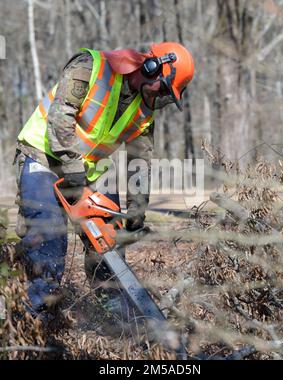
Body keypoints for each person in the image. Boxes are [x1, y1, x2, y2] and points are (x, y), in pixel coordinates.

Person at [14, 42, 195, 319]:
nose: (161, 99)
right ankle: (33, 319)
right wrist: (73, 170)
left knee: (108, 243)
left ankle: (113, 318)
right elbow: (60, 118)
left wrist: (136, 212)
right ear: (151, 68)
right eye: (163, 89)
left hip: (88, 172)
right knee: (48, 240)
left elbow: (139, 162)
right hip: (43, 156)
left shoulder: (144, 112)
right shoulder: (90, 68)